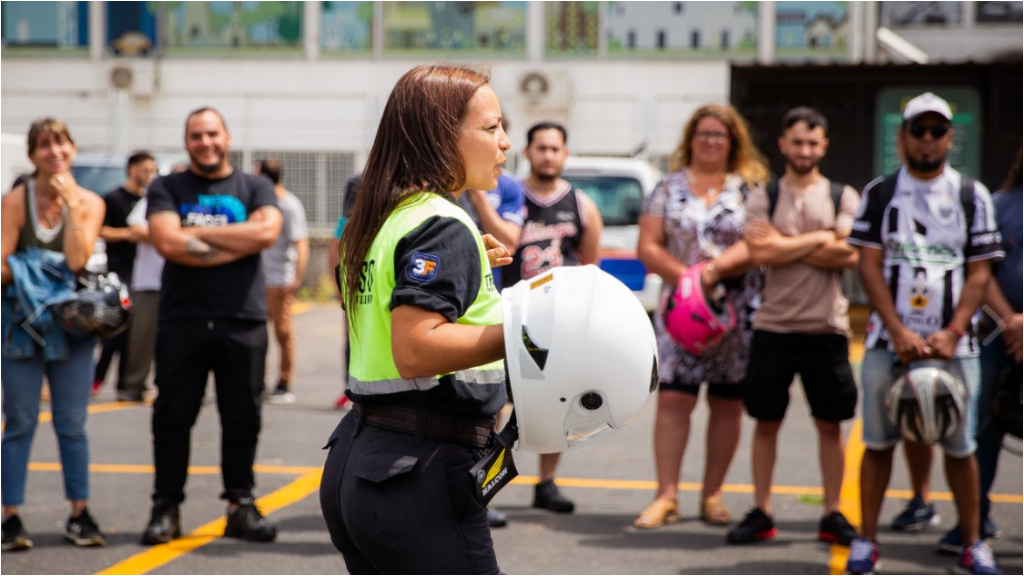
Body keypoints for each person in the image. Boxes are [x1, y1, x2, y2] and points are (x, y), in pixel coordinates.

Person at [319, 64, 513, 574]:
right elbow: (416, 349)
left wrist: (469, 265)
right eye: (491, 128)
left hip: (361, 462)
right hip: (417, 472)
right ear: (442, 134)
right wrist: (523, 334)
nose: (505, 143)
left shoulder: (384, 216)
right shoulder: (441, 222)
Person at [845, 92, 1003, 575]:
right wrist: (896, 330)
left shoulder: (971, 195)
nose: (928, 140)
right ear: (903, 137)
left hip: (956, 345)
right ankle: (867, 543)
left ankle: (973, 544)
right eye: (919, 130)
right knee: (878, 441)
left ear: (950, 138)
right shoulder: (880, 192)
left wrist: (953, 331)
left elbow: (978, 273)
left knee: (961, 446)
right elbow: (868, 266)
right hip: (885, 343)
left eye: (938, 131)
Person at [142, 107, 283, 545]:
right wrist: (239, 236)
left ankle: (240, 505)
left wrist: (194, 235)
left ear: (227, 137)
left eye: (212, 134)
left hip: (242, 318)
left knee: (244, 415)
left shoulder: (255, 185)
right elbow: (166, 241)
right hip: (182, 319)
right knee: (172, 416)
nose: (206, 142)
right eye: (196, 135)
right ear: (187, 141)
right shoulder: (166, 186)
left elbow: (267, 234)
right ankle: (166, 507)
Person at [727, 107, 860, 545]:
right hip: (774, 327)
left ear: (824, 146)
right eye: (796, 142)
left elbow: (851, 255)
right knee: (766, 422)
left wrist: (783, 245)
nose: (804, 150)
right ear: (783, 145)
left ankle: (833, 512)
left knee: (830, 423)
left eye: (812, 142)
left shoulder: (843, 195)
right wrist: (823, 238)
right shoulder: (765, 194)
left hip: (827, 328)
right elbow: (758, 253)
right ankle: (762, 510)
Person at [633, 104, 766, 530]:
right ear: (690, 139)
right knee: (674, 400)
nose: (710, 141)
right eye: (703, 134)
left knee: (727, 404)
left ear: (733, 142)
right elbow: (649, 246)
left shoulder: (751, 188)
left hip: (734, 311)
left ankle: (713, 494)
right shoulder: (667, 187)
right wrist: (690, 282)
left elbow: (759, 241)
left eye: (719, 135)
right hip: (681, 314)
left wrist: (712, 273)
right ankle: (666, 495)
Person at [1, 118, 108, 550]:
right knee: (20, 420)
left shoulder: (90, 202)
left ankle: (79, 513)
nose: (54, 151)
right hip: (21, 323)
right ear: (32, 156)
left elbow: (79, 263)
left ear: (73, 149)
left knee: (72, 423)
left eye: (61, 142)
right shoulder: (15, 199)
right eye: (44, 145)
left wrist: (72, 209)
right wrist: (44, 273)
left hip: (72, 326)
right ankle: (10, 516)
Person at [503, 121, 604, 515]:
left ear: (565, 153)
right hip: (512, 317)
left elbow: (592, 266)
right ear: (527, 152)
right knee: (497, 403)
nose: (548, 155)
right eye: (541, 147)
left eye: (555, 148)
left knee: (556, 403)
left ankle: (546, 483)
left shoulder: (581, 204)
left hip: (559, 324)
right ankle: (484, 480)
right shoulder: (512, 197)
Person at [936, 148, 1022, 555]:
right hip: (997, 336)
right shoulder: (998, 204)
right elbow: (981, 271)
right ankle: (971, 523)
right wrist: (1012, 322)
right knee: (980, 426)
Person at [92, 151, 157, 399]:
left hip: (140, 272)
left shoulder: (148, 199)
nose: (149, 175)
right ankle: (98, 378)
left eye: (152, 170)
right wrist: (128, 234)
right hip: (119, 272)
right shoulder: (114, 197)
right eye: (144, 169)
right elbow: (100, 230)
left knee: (132, 330)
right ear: (131, 169)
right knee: (117, 328)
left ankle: (123, 383)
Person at [255, 159, 309, 405]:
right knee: (256, 333)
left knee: (283, 332)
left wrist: (296, 278)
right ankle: (258, 381)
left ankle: (284, 384)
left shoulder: (289, 205)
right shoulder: (260, 203)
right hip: (258, 281)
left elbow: (301, 243)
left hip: (280, 281)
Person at [120, 194, 165, 402]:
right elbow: (135, 230)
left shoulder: (194, 202)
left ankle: (175, 386)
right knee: (142, 337)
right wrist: (171, 235)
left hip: (186, 284)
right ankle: (135, 384)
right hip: (149, 282)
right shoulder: (153, 199)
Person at [328, 173, 362, 410]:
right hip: (353, 281)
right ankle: (351, 387)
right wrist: (339, 282)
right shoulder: (356, 183)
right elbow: (335, 246)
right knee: (352, 336)